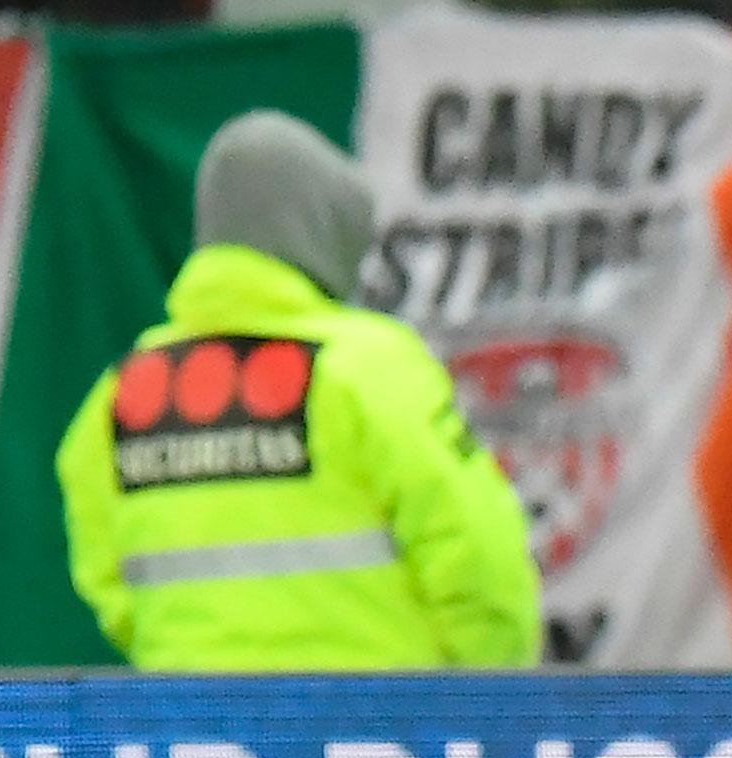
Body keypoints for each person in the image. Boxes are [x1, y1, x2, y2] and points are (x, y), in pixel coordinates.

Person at [55, 110, 541, 671]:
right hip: (380, 733)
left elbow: (108, 579)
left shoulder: (121, 393)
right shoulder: (367, 366)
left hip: (197, 736)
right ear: (322, 230)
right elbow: (478, 553)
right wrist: (487, 698)